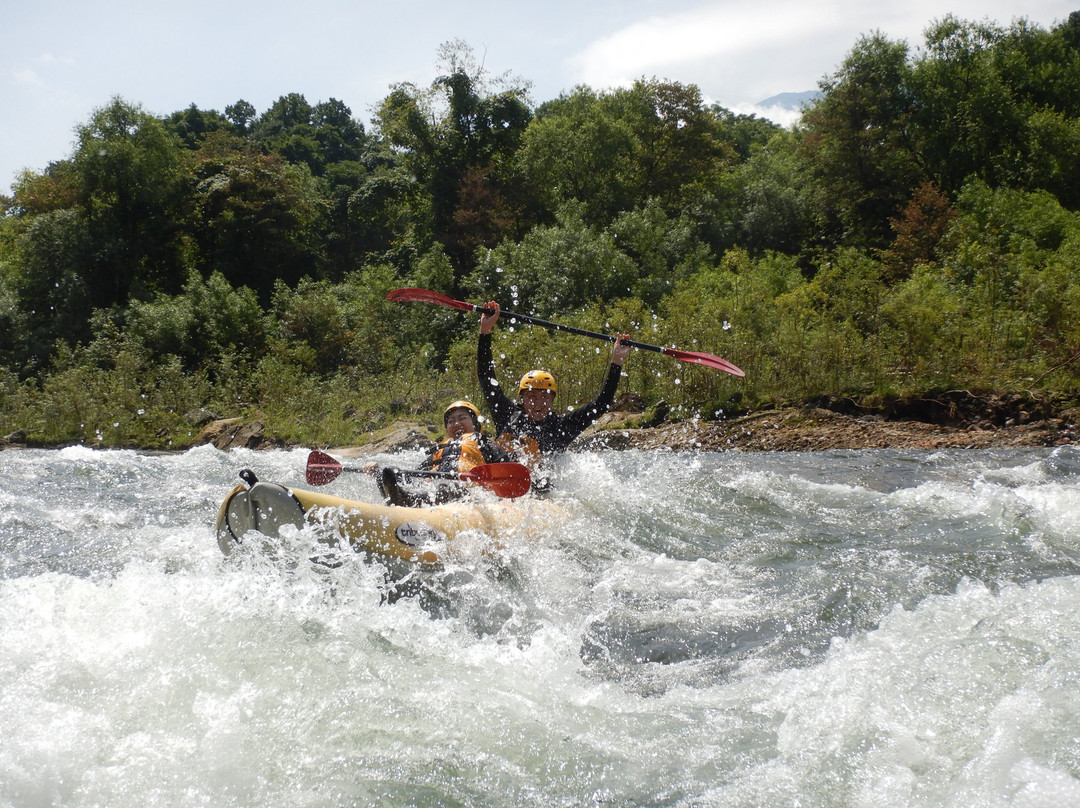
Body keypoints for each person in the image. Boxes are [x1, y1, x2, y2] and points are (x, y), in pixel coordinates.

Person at [477, 300, 631, 489]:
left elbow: (602, 404)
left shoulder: (562, 427)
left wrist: (616, 361)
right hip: (501, 483)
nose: (538, 403)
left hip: (537, 491)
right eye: (532, 397)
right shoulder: (506, 414)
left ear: (552, 399)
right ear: (522, 399)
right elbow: (486, 377)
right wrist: (485, 332)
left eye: (545, 397)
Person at [366, 400, 511, 507]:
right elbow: (416, 473)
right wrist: (379, 471)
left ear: (476, 424)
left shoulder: (483, 443)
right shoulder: (440, 449)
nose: (456, 424)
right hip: (431, 488)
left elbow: (508, 468)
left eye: (462, 418)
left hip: (463, 491)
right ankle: (396, 497)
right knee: (392, 471)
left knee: (447, 487)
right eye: (451, 421)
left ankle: (406, 501)